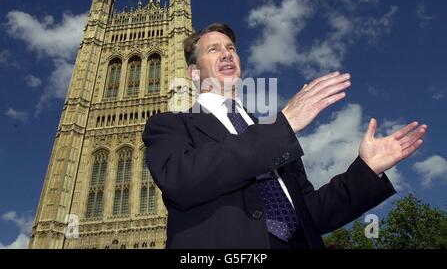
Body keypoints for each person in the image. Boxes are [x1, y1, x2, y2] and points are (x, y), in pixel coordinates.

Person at [142, 23, 427, 249]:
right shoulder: (169, 125)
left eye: (231, 47)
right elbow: (183, 180)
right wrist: (283, 123)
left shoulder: (271, 132)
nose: (227, 53)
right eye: (214, 50)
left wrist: (366, 170)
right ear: (193, 73)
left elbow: (310, 212)